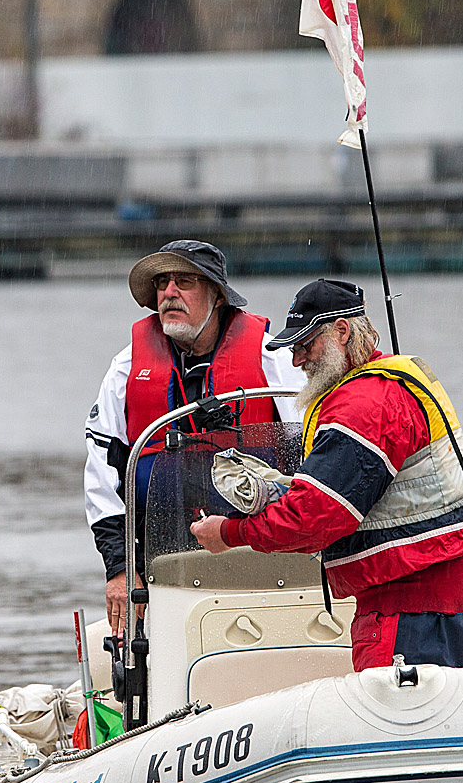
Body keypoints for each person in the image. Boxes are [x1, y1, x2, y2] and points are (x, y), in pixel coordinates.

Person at [190, 278, 463, 672]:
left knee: (394, 728)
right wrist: (280, 488)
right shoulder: (387, 385)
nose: (297, 360)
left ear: (342, 332)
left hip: (410, 604)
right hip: (442, 594)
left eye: (304, 345)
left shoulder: (363, 404)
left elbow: (313, 518)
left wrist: (229, 534)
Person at [86, 239, 305, 635]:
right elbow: (101, 480)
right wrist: (120, 570)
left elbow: (312, 455)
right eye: (162, 283)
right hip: (163, 560)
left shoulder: (273, 359)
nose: (169, 293)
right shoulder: (125, 369)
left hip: (264, 555)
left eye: (184, 281)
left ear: (217, 295)